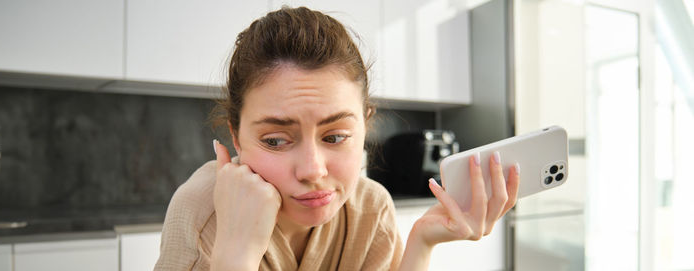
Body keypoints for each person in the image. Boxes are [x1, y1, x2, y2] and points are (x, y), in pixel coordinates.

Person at [154, 6, 520, 271]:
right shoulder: (203, 213)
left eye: (335, 136)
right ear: (236, 136)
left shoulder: (370, 210)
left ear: (365, 126)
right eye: (276, 141)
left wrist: (422, 241)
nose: (313, 170)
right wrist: (235, 255)